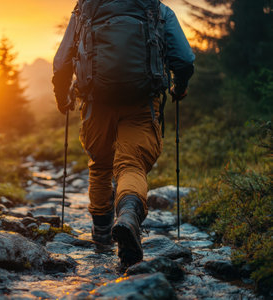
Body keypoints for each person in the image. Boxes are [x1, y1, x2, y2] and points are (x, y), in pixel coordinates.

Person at [52, 0, 195, 268]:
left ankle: (102, 236)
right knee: (132, 165)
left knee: (100, 165)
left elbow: (61, 62)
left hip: (96, 103)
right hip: (141, 101)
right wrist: (180, 86)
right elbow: (184, 59)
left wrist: (63, 97)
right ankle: (128, 216)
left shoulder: (85, 8)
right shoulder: (156, 8)